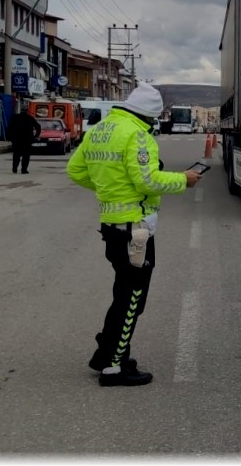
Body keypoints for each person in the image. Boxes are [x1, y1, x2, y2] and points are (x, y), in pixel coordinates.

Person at [66, 83, 201, 387]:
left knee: (122, 292)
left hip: (112, 225)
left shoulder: (101, 129)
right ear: (151, 115)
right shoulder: (137, 134)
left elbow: (75, 170)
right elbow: (148, 180)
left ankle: (107, 352)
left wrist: (108, 189)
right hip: (135, 229)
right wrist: (183, 179)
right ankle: (114, 367)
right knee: (132, 298)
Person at [8, 102, 42, 174]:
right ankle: (24, 169)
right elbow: (38, 127)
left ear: (21, 110)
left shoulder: (15, 117)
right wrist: (35, 136)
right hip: (27, 140)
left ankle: (14, 168)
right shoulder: (30, 118)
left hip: (16, 140)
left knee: (16, 154)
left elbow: (9, 128)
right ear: (27, 111)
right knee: (26, 155)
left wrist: (10, 137)